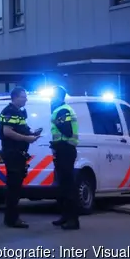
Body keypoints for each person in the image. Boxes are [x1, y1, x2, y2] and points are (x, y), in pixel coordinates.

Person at [0, 87, 41, 228]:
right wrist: (27, 139)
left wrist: (32, 133)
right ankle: (12, 219)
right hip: (13, 153)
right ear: (15, 97)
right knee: (13, 187)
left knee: (16, 187)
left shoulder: (19, 113)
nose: (26, 99)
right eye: (23, 97)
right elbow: (7, 132)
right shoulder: (8, 112)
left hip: (18, 154)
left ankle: (12, 218)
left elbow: (22, 128)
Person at [49, 85, 80, 230]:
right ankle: (65, 216)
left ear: (58, 96)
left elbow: (67, 130)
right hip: (63, 149)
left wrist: (57, 123)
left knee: (68, 186)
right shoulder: (60, 109)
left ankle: (73, 220)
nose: (51, 98)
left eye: (53, 95)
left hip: (66, 149)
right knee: (63, 185)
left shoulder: (63, 110)